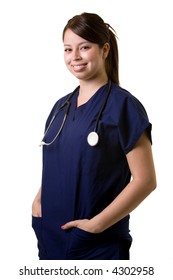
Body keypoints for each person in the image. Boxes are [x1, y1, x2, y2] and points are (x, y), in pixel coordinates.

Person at [32, 12, 156, 260]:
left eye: (84, 47)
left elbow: (145, 181)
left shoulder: (124, 107)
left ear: (105, 49)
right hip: (51, 238)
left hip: (97, 246)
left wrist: (97, 225)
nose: (74, 57)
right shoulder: (60, 108)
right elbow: (59, 164)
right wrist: (38, 202)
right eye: (68, 49)